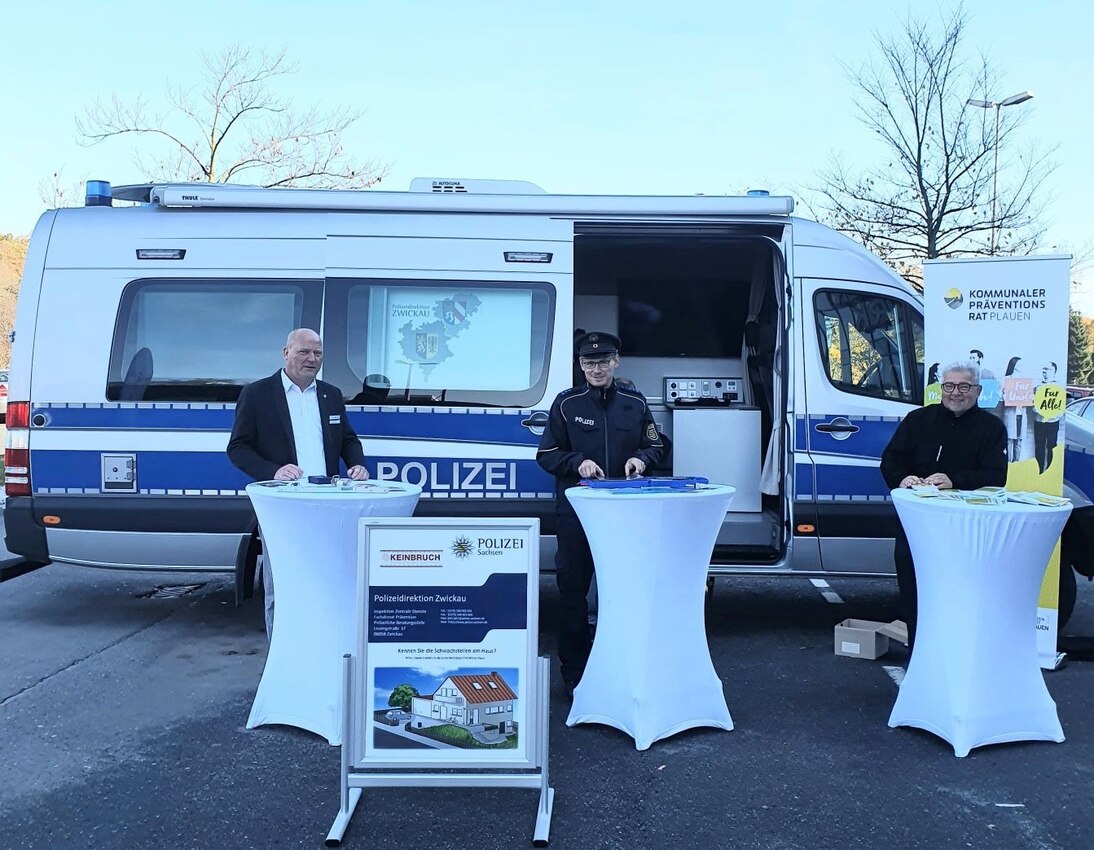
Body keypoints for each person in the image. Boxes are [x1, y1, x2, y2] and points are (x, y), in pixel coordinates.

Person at [536, 331, 665, 697]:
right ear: (580, 365)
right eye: (589, 362)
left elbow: (656, 445)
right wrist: (578, 462)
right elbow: (546, 455)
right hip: (578, 516)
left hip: (625, 517)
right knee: (573, 594)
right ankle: (574, 676)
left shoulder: (635, 403)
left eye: (603, 361)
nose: (596, 368)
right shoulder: (566, 404)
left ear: (616, 362)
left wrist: (642, 459)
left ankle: (619, 670)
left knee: (622, 595)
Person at [227, 328, 368, 636]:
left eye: (317, 353)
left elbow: (347, 439)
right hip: (282, 505)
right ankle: (281, 652)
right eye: (304, 352)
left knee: (325, 580)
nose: (311, 359)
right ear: (286, 353)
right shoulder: (257, 394)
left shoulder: (331, 395)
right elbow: (237, 448)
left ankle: (319, 642)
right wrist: (273, 471)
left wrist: (356, 463)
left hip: (328, 503)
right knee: (281, 584)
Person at [880, 360, 1007, 649]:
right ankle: (916, 654)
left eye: (963, 386)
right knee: (914, 592)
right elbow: (889, 460)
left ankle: (957, 653)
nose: (955, 393)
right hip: (915, 525)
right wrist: (903, 479)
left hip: (964, 529)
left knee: (957, 596)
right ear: (941, 388)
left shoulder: (992, 428)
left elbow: (997, 477)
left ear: (976, 390)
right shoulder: (917, 420)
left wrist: (955, 480)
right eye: (949, 385)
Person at [1033, 362, 1061, 474]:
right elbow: (1034, 404)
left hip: (1053, 422)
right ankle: (1039, 470)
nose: (1044, 371)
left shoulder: (1058, 387)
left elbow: (1061, 407)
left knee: (1052, 446)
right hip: (1039, 421)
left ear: (1054, 371)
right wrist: (1036, 409)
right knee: (1039, 446)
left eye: (1047, 369)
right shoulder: (1038, 387)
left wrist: (1053, 414)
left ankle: (1050, 470)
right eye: (1043, 369)